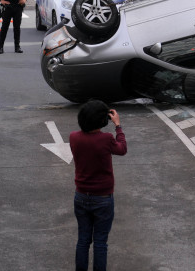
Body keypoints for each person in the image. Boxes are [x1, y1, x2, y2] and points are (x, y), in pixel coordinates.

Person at [70, 99, 127, 271]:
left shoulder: (74, 137)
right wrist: (118, 126)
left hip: (80, 196)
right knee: (100, 242)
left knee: (83, 239)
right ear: (103, 121)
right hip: (103, 198)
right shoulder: (106, 139)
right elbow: (122, 149)